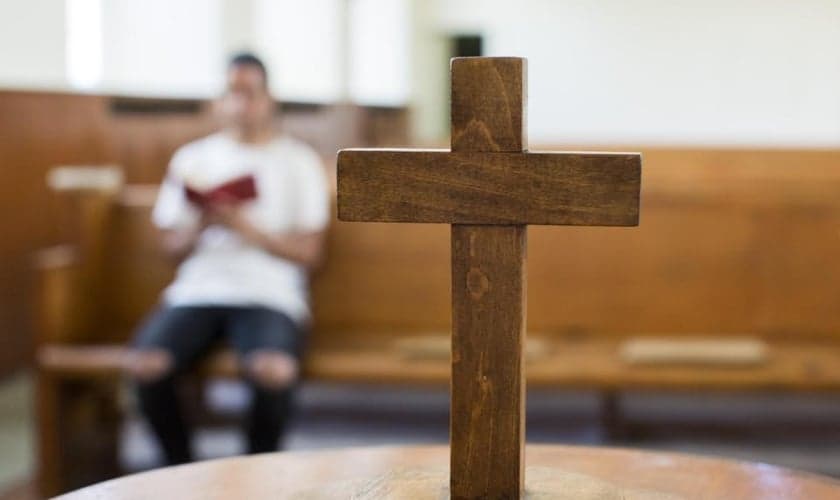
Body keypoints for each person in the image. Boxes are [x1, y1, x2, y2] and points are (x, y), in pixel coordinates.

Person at [126, 53, 329, 465]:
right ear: (219, 101)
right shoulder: (192, 159)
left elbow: (310, 253)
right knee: (146, 365)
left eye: (250, 94)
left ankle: (256, 472)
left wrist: (245, 227)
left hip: (268, 291)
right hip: (199, 289)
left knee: (274, 371)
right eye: (232, 94)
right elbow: (170, 250)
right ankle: (180, 468)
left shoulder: (299, 160)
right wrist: (203, 222)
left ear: (269, 99)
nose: (241, 104)